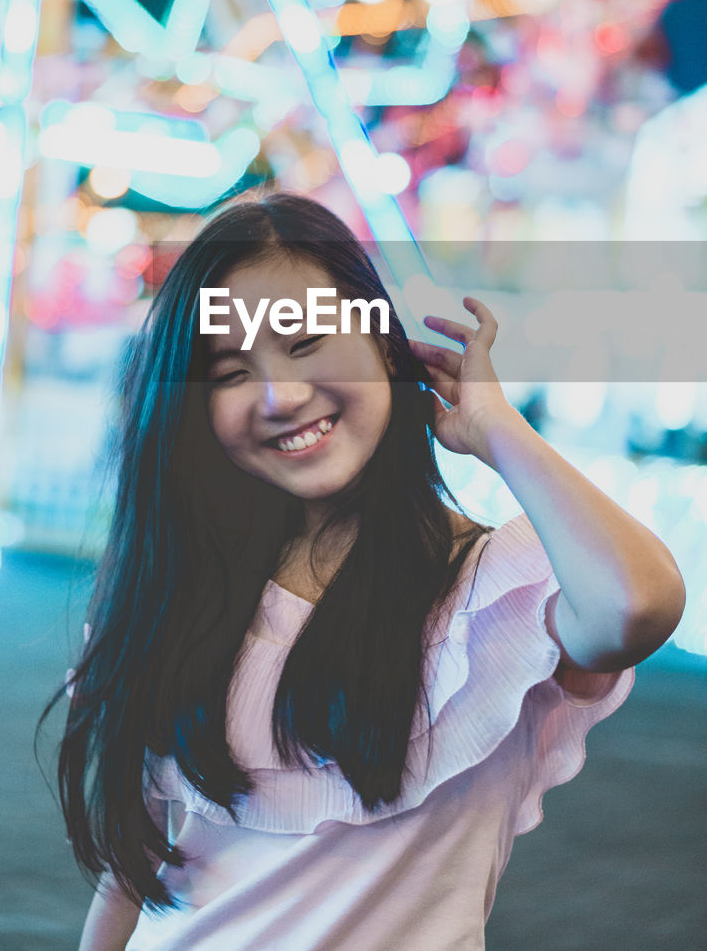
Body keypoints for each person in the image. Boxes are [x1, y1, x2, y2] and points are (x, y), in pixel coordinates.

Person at [37, 190, 685, 951]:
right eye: (229, 372)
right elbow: (137, 877)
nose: (281, 395)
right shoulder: (178, 594)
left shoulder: (492, 593)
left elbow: (638, 604)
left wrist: (495, 428)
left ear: (384, 344)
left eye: (307, 341)